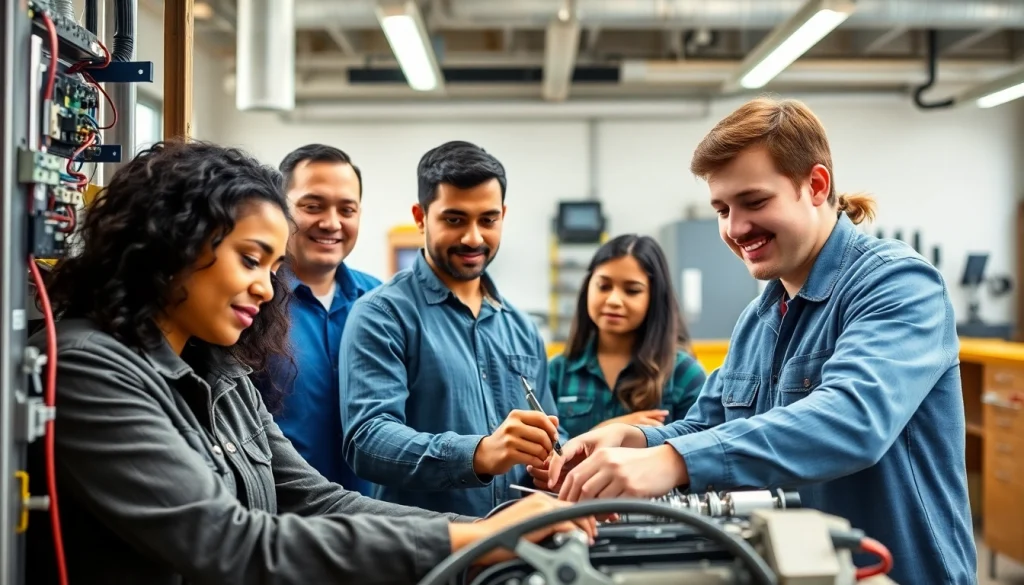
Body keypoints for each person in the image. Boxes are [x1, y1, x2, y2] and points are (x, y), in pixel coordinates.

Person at [26, 140, 595, 585]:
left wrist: (496, 529)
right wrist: (474, 540)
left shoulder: (221, 372)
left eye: (272, 267)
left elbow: (318, 499)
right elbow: (232, 544)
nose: (268, 290)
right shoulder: (89, 369)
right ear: (173, 241)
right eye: (251, 259)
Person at [540, 97, 975, 585]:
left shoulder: (897, 284)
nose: (735, 228)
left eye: (754, 202)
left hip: (894, 572)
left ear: (815, 185)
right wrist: (637, 440)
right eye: (722, 209)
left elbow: (854, 418)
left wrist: (669, 461)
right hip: (791, 570)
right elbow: (709, 426)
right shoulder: (758, 318)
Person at [340, 140, 566, 518]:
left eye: (488, 220)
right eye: (455, 219)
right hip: (426, 554)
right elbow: (368, 440)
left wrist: (554, 463)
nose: (474, 237)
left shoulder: (522, 328)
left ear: (503, 216)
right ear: (420, 216)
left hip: (515, 551)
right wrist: (477, 454)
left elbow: (553, 433)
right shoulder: (382, 315)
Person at [251, 144, 379, 496]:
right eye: (313, 206)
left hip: (377, 522)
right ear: (280, 208)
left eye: (347, 209)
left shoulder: (383, 303)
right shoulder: (251, 301)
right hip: (282, 519)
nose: (332, 223)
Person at [546, 234, 706, 439]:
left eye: (632, 291)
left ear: (654, 297)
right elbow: (548, 451)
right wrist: (606, 431)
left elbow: (699, 451)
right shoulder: (557, 372)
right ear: (587, 288)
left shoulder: (684, 374)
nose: (614, 300)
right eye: (603, 286)